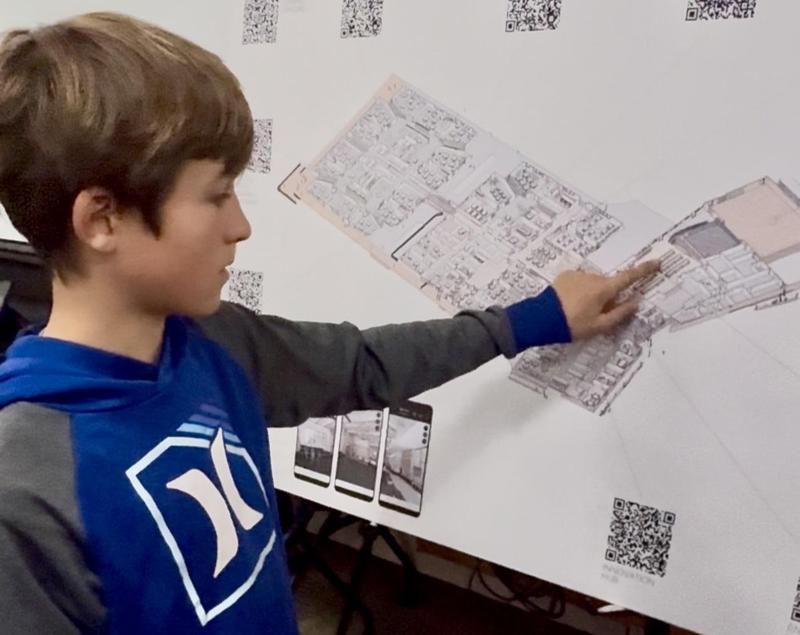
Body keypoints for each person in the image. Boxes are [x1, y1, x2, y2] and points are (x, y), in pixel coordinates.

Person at [0, 12, 658, 635]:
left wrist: (536, 318)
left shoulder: (216, 343)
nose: (240, 226)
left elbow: (365, 363)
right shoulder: (25, 493)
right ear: (102, 219)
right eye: (215, 194)